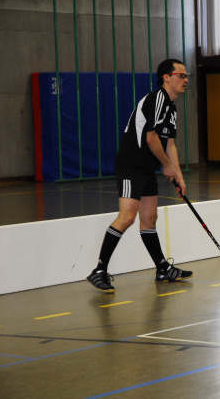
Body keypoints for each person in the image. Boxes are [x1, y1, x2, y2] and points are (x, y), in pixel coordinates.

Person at [87, 58, 193, 293]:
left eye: (187, 76)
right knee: (127, 217)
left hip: (147, 168)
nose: (186, 80)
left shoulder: (172, 108)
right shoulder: (157, 99)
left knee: (149, 218)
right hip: (131, 165)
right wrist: (166, 166)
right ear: (167, 77)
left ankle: (162, 268)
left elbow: (170, 144)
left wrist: (178, 175)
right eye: (181, 75)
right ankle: (99, 270)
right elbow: (151, 138)